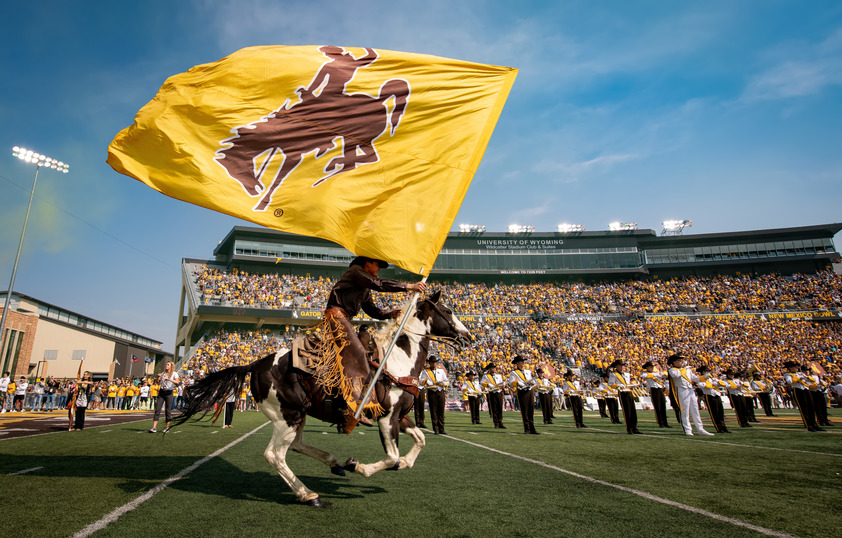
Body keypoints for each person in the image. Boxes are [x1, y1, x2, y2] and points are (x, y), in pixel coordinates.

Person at [323, 256, 426, 429]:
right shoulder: (356, 272)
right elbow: (379, 284)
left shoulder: (364, 286)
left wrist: (389, 314)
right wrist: (408, 286)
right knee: (357, 354)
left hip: (344, 318)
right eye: (378, 265)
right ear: (367, 263)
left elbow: (371, 310)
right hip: (336, 316)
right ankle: (351, 406)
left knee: (363, 352)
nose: (379, 269)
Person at [667, 355, 714, 436]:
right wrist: (685, 369)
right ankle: (687, 429)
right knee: (684, 410)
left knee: (695, 409)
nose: (681, 362)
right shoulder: (672, 370)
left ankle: (700, 429)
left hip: (690, 389)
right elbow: (676, 375)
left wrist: (704, 377)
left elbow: (695, 378)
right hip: (681, 389)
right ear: (674, 362)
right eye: (679, 360)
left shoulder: (687, 370)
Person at [783, 361, 822, 431]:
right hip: (798, 390)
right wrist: (799, 379)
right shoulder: (788, 374)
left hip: (806, 389)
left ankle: (814, 424)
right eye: (795, 367)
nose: (797, 368)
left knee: (811, 407)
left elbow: (809, 380)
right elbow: (790, 381)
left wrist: (808, 378)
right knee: (804, 408)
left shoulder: (800, 373)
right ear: (790, 368)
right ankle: (808, 425)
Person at [608, 360, 641, 434]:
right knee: (627, 411)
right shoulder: (614, 374)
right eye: (621, 365)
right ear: (616, 366)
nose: (622, 367)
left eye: (623, 365)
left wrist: (633, 385)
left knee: (633, 411)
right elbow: (610, 384)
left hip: (629, 392)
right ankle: (629, 428)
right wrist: (619, 386)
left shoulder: (627, 374)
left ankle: (635, 427)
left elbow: (628, 383)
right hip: (622, 392)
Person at [508, 355, 538, 434]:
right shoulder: (514, 373)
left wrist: (532, 382)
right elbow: (511, 382)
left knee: (531, 409)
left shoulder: (527, 371)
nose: (523, 363)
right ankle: (527, 428)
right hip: (522, 391)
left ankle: (532, 428)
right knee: (524, 410)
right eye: (522, 362)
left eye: (524, 362)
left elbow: (530, 379)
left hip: (529, 390)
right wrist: (518, 383)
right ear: (517, 363)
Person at [419, 356, 448, 434]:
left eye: (435, 362)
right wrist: (426, 381)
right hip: (431, 391)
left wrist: (444, 383)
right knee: (433, 411)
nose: (434, 364)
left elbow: (446, 381)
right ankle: (436, 428)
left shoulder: (441, 371)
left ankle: (441, 428)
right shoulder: (425, 371)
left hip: (440, 391)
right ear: (430, 363)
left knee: (441, 411)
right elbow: (421, 381)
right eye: (432, 362)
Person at [696, 365, 730, 433]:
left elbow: (723, 384)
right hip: (709, 396)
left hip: (716, 395)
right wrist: (713, 384)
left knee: (720, 412)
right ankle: (719, 428)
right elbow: (701, 385)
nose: (708, 373)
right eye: (706, 371)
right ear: (703, 372)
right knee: (714, 413)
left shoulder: (712, 378)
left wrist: (717, 383)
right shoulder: (700, 378)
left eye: (708, 371)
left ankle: (724, 427)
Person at [150, 361, 181, 433]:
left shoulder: (174, 373)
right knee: (157, 409)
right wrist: (158, 377)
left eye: (168, 365)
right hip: (161, 392)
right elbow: (158, 381)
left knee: (168, 410)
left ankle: (167, 427)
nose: (166, 366)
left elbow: (177, 382)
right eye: (166, 364)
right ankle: (154, 427)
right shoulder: (163, 373)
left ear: (171, 366)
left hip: (169, 392)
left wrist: (169, 379)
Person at [641, 361, 670, 428]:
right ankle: (660, 422)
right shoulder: (645, 373)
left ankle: (665, 422)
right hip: (654, 390)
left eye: (652, 367)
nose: (652, 368)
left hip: (660, 389)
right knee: (657, 406)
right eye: (650, 367)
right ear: (647, 367)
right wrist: (657, 375)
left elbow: (664, 375)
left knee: (663, 405)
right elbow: (645, 376)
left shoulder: (656, 373)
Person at [481, 363, 506, 428]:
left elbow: (502, 383)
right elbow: (482, 383)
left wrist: (503, 386)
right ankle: (496, 423)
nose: (494, 369)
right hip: (492, 393)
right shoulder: (486, 376)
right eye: (492, 368)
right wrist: (488, 385)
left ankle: (501, 422)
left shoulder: (499, 375)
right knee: (494, 408)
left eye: (494, 367)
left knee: (500, 408)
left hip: (499, 392)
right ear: (489, 369)